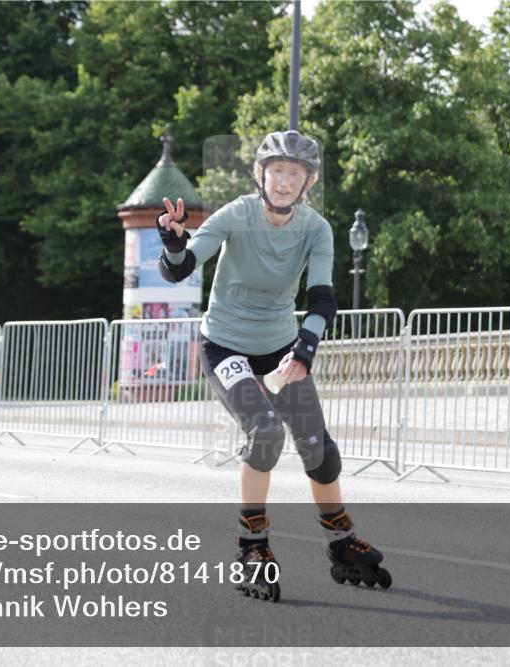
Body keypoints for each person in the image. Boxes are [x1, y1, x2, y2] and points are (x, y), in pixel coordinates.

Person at [156, 130, 390, 601]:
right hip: (225, 347)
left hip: (282, 347)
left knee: (320, 450)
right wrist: (175, 245)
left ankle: (341, 542)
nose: (284, 182)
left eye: (295, 174)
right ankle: (252, 545)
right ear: (260, 175)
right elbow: (181, 268)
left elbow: (323, 298)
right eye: (277, 171)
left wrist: (304, 349)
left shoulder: (316, 228)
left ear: (308, 182)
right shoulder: (235, 215)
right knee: (265, 432)